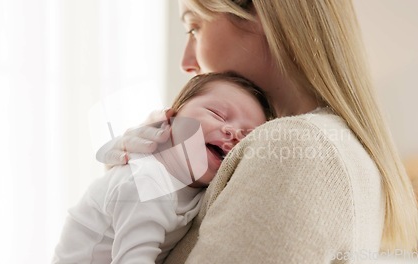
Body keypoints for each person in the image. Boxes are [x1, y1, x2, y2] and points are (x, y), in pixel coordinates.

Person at [97, 0, 418, 263]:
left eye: (194, 26)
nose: (186, 62)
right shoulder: (326, 144)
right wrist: (140, 179)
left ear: (260, 12)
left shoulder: (294, 149)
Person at [53, 72, 275, 264]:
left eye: (247, 136)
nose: (233, 133)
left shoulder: (200, 192)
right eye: (217, 114)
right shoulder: (145, 181)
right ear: (171, 117)